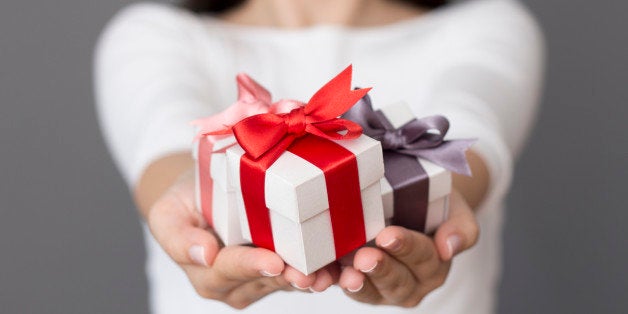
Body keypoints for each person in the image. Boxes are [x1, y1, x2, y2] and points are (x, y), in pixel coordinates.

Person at [94, 0, 544, 313]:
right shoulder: (153, 33)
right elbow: (166, 142)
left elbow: (470, 135)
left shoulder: (487, 24)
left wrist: (442, 203)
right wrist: (186, 190)